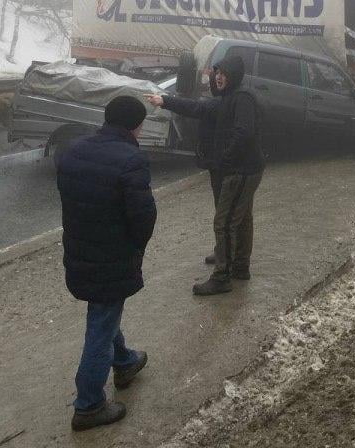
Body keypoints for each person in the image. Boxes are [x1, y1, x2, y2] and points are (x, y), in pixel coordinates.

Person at [57, 95, 157, 431]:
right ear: (135, 125)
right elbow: (143, 216)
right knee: (101, 320)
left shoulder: (73, 150)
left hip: (79, 251)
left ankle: (125, 361)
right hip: (112, 256)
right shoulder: (131, 159)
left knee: (104, 310)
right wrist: (135, 248)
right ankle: (88, 405)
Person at [146, 54, 263, 295]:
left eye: (224, 73)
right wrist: (164, 101)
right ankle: (239, 265)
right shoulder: (224, 99)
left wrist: (224, 160)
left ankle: (222, 277)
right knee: (240, 219)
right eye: (216, 73)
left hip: (239, 170)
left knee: (225, 222)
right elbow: (196, 108)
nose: (219, 77)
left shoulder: (242, 98)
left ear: (234, 76)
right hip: (237, 169)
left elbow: (244, 134)